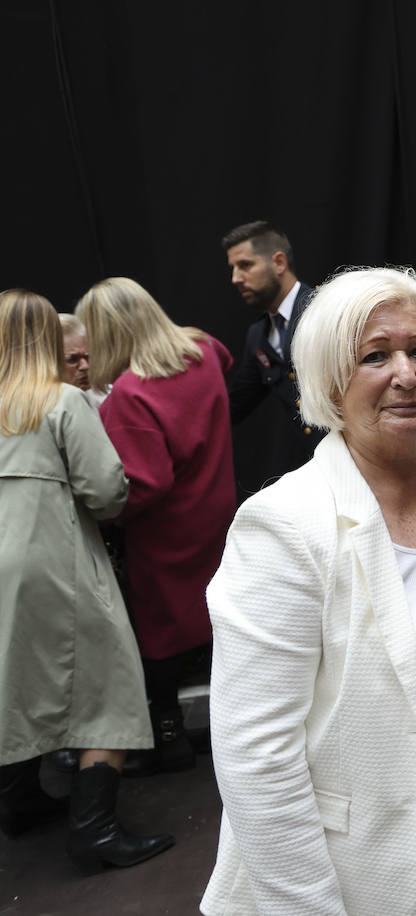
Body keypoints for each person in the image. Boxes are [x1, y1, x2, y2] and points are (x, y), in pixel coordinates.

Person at [201, 266, 416, 916]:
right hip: (346, 872)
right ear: (331, 381)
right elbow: (256, 759)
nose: (406, 374)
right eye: (374, 356)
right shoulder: (284, 524)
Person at [0, 289, 174, 872]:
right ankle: (94, 831)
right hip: (53, 557)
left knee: (13, 679)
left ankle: (19, 804)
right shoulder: (62, 402)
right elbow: (105, 493)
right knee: (105, 681)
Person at [76, 277, 237, 776]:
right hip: (217, 510)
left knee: (160, 638)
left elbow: (145, 485)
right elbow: (229, 365)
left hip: (165, 534)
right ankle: (233, 731)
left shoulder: (128, 395)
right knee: (220, 625)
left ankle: (170, 739)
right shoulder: (203, 348)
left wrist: (105, 512)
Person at [221, 220, 325, 493]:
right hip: (318, 469)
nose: (235, 278)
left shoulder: (324, 310)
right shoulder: (258, 335)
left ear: (278, 262)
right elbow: (234, 404)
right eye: (232, 268)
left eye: (245, 265)